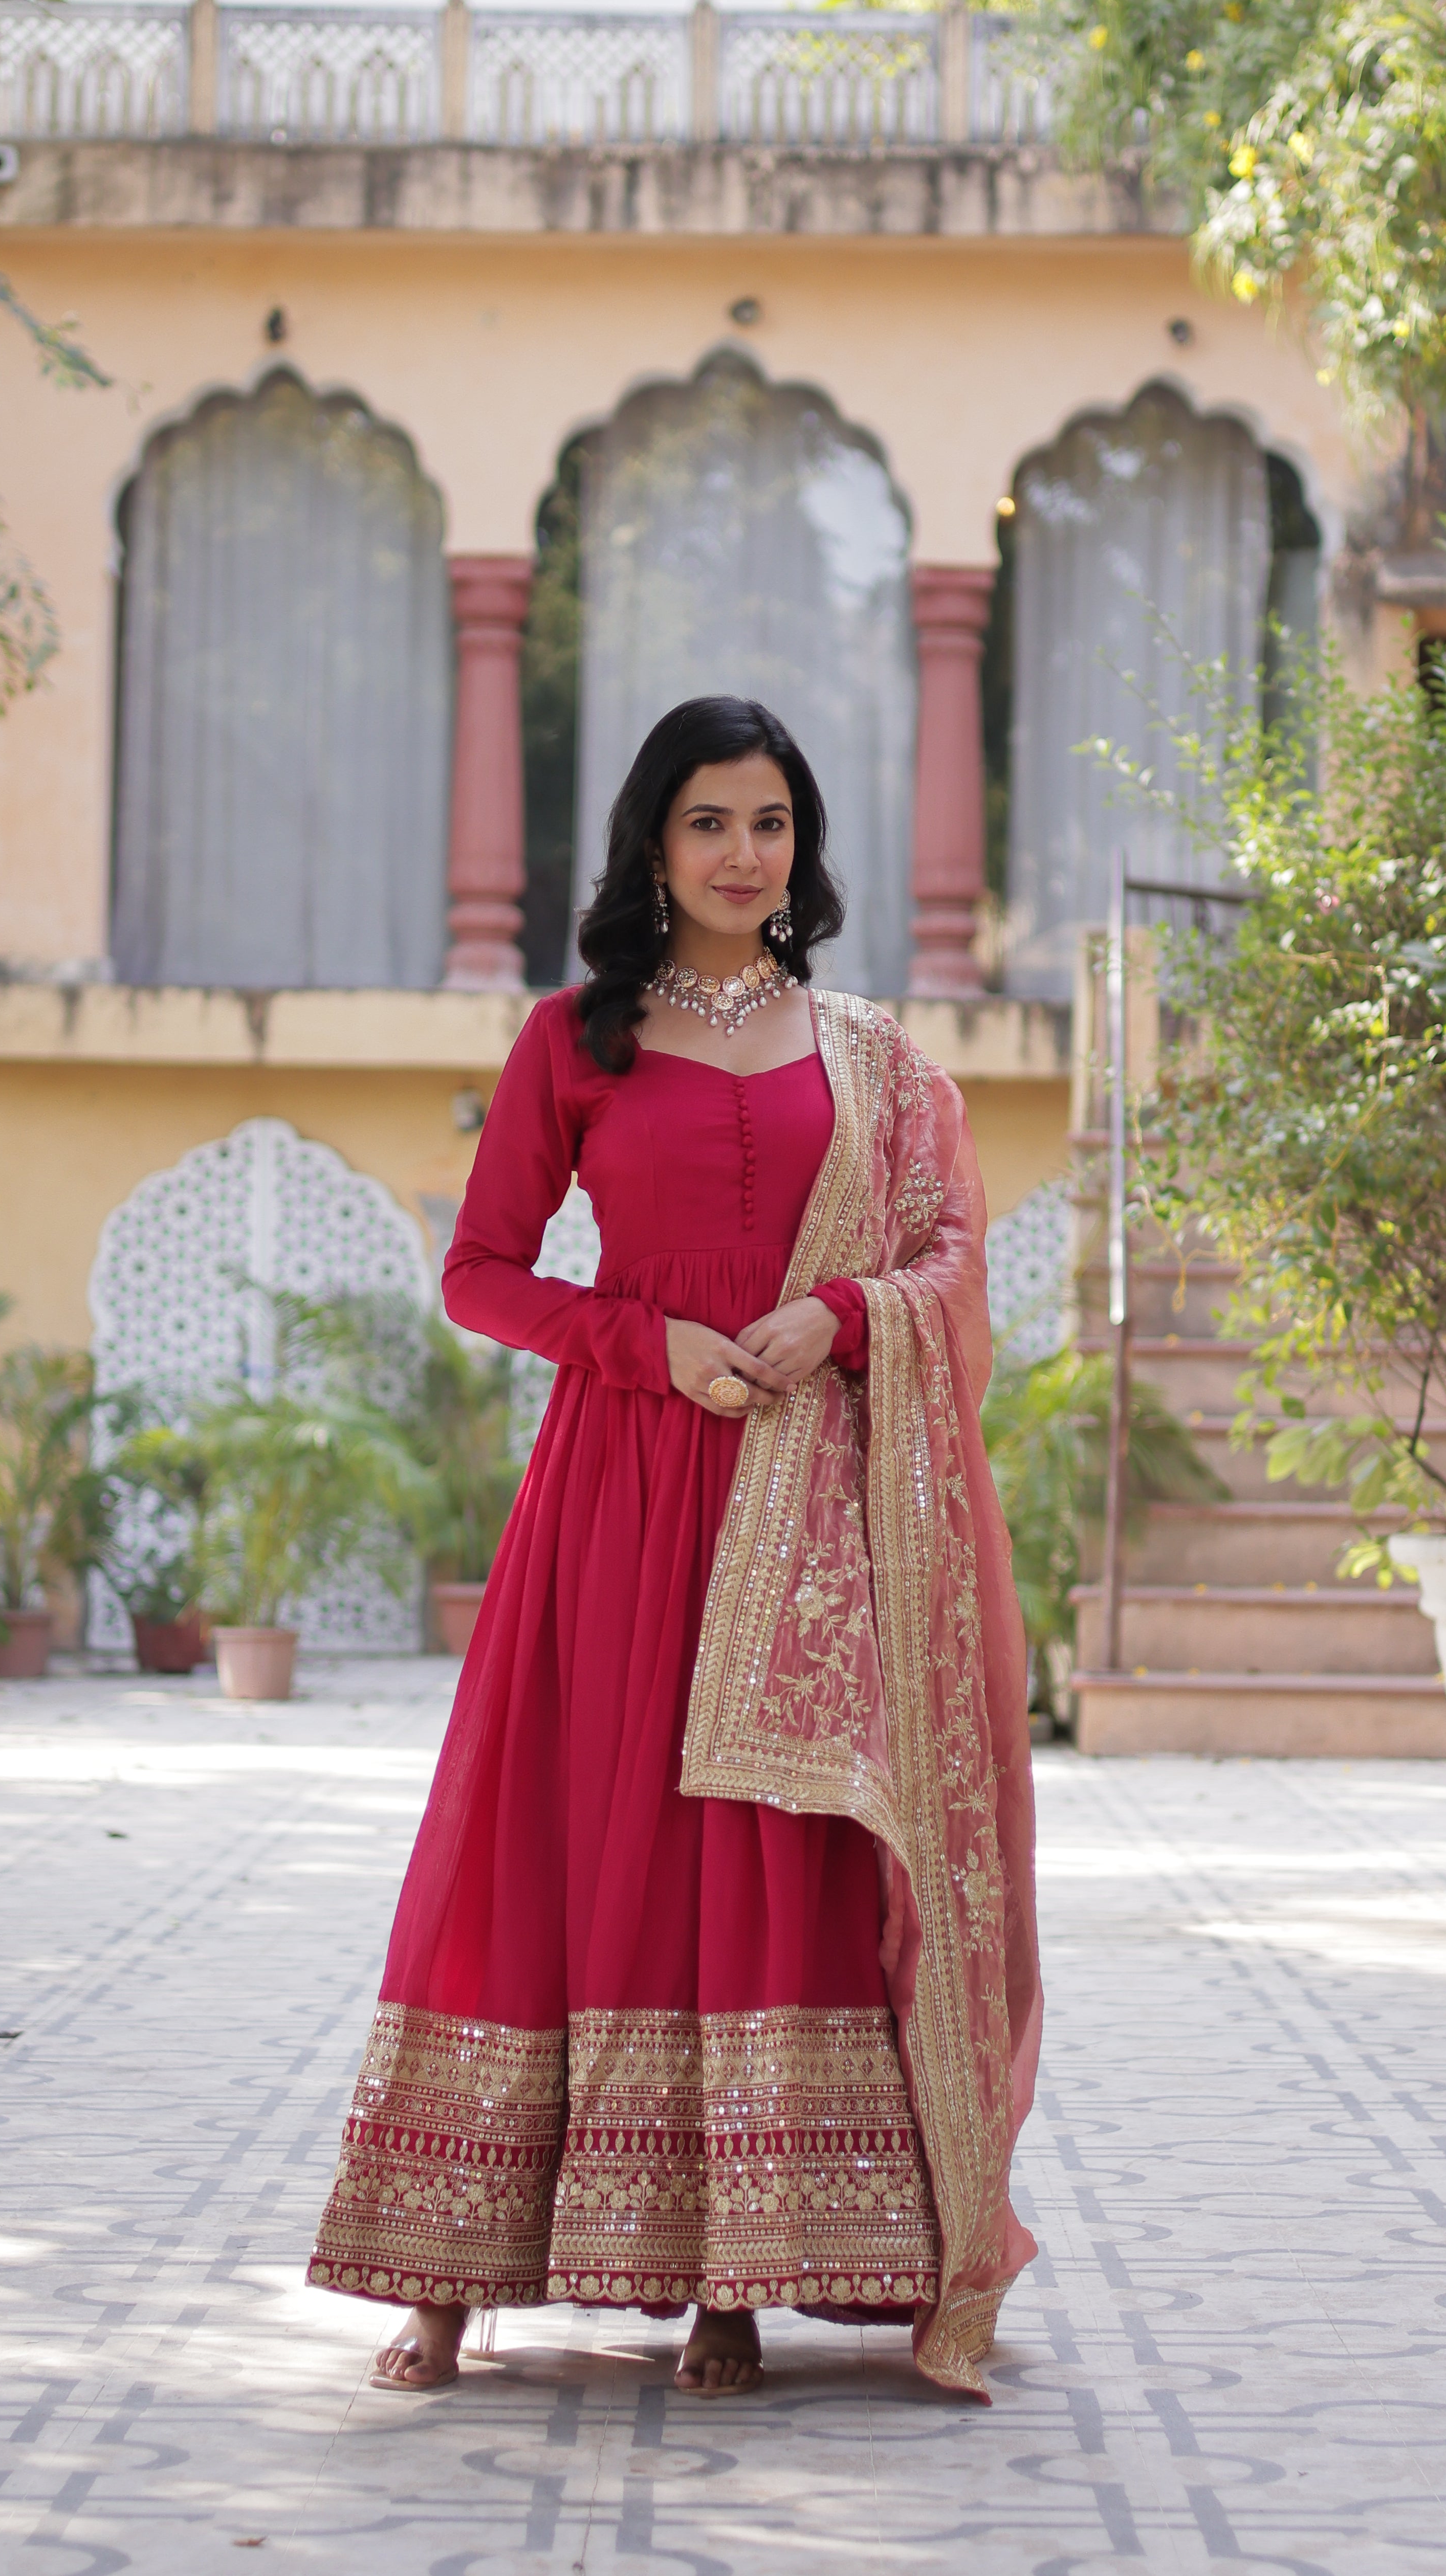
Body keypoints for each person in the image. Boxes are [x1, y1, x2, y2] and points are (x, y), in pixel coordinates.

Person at [308, 696, 1041, 2399]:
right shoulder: (576, 1041)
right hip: (624, 1491)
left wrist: (843, 1312)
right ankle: (447, 2274)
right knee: (568, 1843)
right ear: (653, 839)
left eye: (770, 822)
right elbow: (482, 1272)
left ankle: (739, 2272)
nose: (741, 854)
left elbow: (946, 1254)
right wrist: (645, 1345)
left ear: (803, 846)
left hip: (811, 1506)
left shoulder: (866, 1056)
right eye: (709, 821)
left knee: (765, 1856)